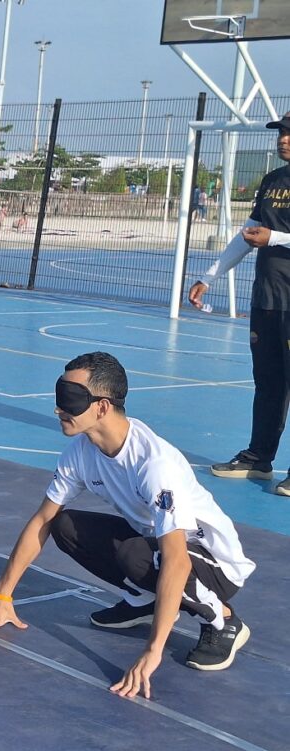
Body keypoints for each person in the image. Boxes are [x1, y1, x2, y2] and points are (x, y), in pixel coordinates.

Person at [0, 352, 255, 699]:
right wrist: (2, 594)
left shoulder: (154, 465)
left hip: (214, 565)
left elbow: (176, 559)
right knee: (64, 524)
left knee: (139, 555)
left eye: (69, 400)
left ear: (102, 407)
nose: (58, 409)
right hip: (156, 546)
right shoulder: (80, 452)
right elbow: (42, 519)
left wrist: (152, 650)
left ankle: (222, 620)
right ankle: (146, 599)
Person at [189, 111, 290, 498]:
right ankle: (258, 458)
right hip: (267, 299)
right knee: (268, 383)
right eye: (281, 132)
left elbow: (266, 236)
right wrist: (209, 277)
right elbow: (248, 234)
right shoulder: (272, 180)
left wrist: (274, 238)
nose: (283, 139)